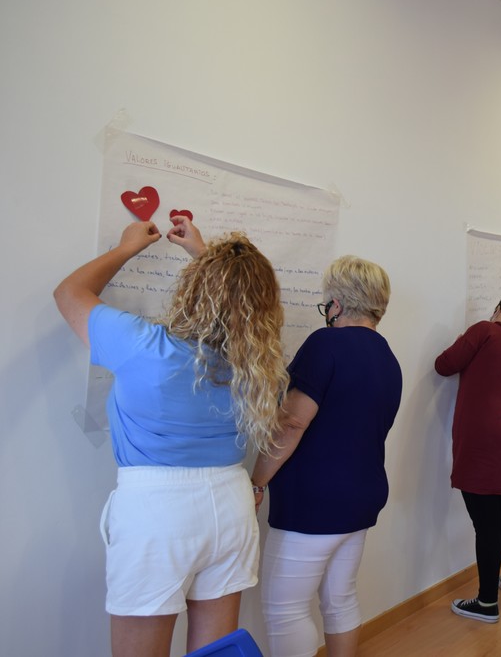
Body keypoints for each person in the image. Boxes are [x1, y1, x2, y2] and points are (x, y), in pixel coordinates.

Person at [53, 217, 288, 657]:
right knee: (216, 653)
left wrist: (126, 249)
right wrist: (210, 259)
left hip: (157, 513)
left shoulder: (143, 345)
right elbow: (243, 306)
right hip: (231, 506)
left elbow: (69, 294)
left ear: (194, 288)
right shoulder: (258, 364)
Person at [250, 255, 402, 657]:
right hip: (361, 498)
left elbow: (291, 424)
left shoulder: (325, 343)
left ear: (337, 302)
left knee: (285, 609)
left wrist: (257, 479)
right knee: (340, 599)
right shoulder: (388, 358)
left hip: (313, 505)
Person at [434, 296, 501, 624]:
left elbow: (444, 364)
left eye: (494, 311)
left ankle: (486, 602)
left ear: (500, 312)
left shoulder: (486, 331)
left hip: (483, 441)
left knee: (486, 525)